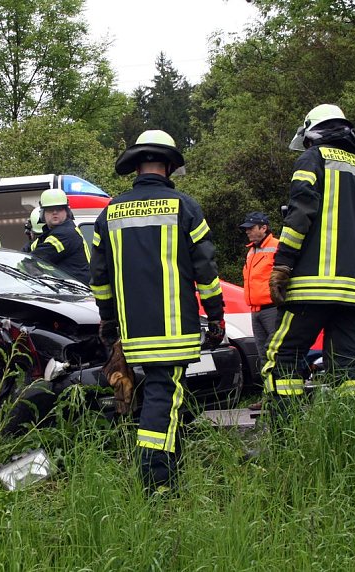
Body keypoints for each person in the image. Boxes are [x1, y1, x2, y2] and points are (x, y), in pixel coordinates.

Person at [90, 129, 225, 492]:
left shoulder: (109, 214)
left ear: (135, 166)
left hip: (133, 331)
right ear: (168, 165)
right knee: (164, 399)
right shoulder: (185, 206)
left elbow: (99, 277)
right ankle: (156, 485)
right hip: (174, 328)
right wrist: (215, 315)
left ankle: (170, 475)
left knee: (159, 397)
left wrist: (109, 320)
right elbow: (206, 272)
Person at [264, 104, 355, 427]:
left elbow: (299, 215)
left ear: (313, 135)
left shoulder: (314, 159)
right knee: (350, 373)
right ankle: (352, 444)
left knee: (283, 360)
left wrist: (282, 265)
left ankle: (287, 442)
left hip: (312, 288)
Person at [239, 211, 279, 411]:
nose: (248, 232)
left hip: (272, 309)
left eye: (251, 228)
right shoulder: (251, 251)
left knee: (275, 354)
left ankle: (281, 396)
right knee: (264, 356)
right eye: (246, 228)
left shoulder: (277, 247)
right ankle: (269, 396)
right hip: (255, 311)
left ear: (264, 228)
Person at [31, 188, 91, 284]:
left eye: (59, 208)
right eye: (50, 209)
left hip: (76, 294)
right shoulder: (49, 234)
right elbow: (29, 249)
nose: (55, 212)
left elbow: (35, 259)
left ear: (66, 211)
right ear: (43, 214)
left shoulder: (65, 233)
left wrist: (15, 269)